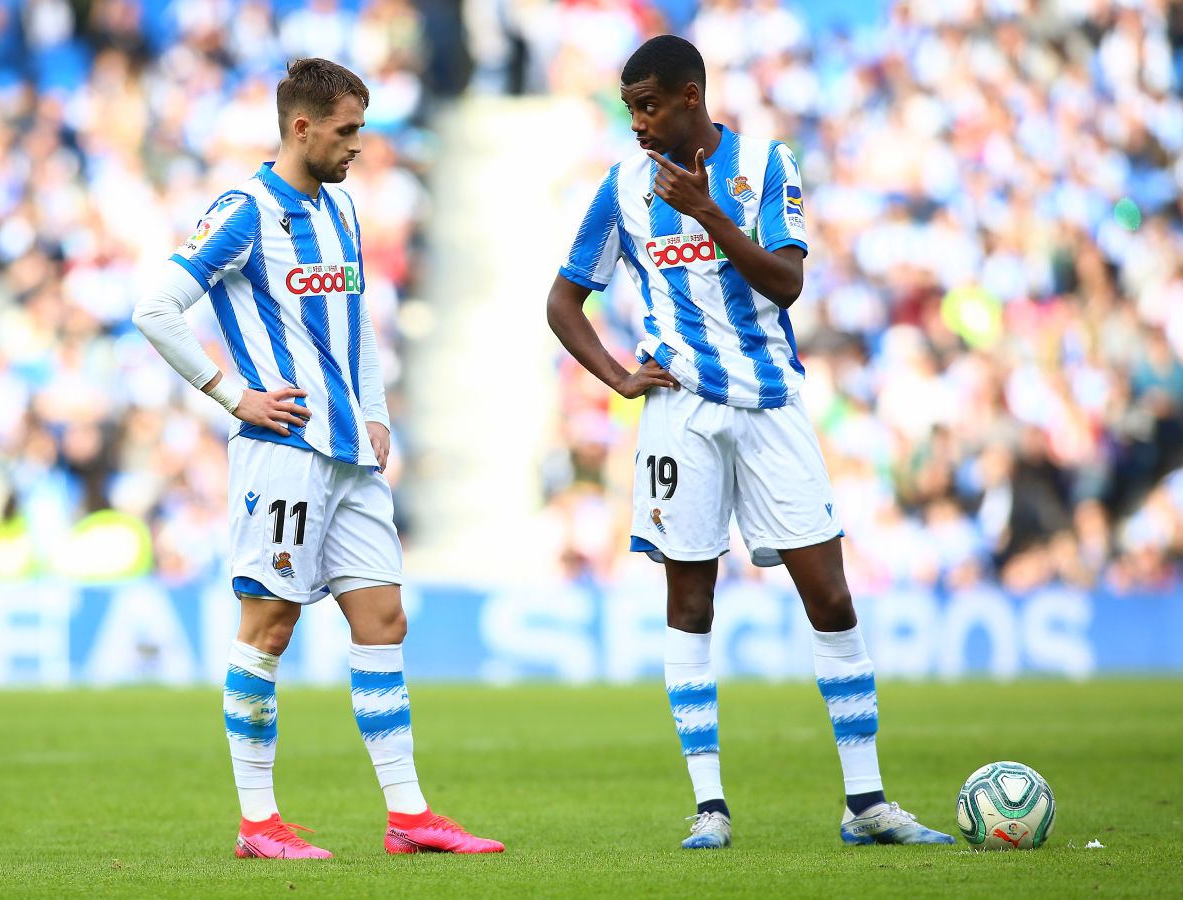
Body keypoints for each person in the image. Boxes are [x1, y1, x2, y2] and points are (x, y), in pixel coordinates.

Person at [546, 35, 954, 851]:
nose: (638, 124)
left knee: (830, 597)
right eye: (630, 109)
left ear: (692, 96)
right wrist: (619, 377)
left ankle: (867, 802)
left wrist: (707, 213)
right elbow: (563, 302)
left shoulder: (767, 165)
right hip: (679, 416)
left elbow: (787, 281)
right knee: (689, 603)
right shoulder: (623, 187)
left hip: (771, 404)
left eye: (649, 106)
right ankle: (710, 807)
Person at [132, 57, 503, 860]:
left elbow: (356, 325)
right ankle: (258, 823)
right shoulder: (242, 211)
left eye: (361, 129)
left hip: (349, 455)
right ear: (302, 128)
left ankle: (409, 817)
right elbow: (154, 307)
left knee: (383, 620)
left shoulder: (341, 210)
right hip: (283, 454)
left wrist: (373, 415)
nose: (359, 145)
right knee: (269, 629)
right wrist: (233, 396)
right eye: (347, 130)